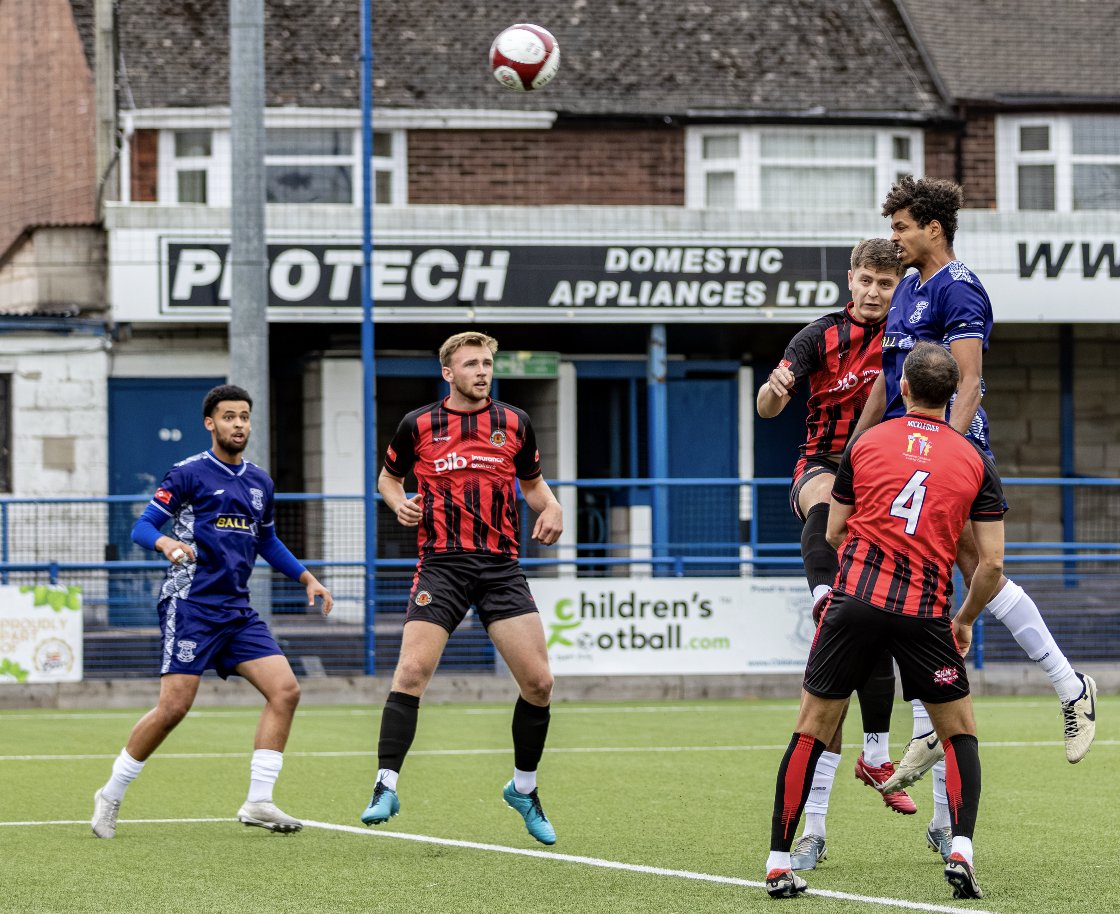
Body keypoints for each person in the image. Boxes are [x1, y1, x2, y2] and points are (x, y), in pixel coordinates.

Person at [855, 177, 1097, 810]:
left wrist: (944, 456)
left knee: (972, 567)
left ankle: (1068, 686)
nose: (894, 238)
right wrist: (856, 446)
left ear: (933, 228)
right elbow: (886, 380)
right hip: (903, 452)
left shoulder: (958, 286)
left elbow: (968, 383)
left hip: (947, 452)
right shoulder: (909, 288)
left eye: (902, 227)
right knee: (927, 576)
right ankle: (938, 725)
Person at [764, 342, 1005, 901]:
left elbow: (833, 530)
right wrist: (965, 619)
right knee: (959, 732)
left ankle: (778, 862)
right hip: (925, 612)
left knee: (811, 728)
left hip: (854, 604)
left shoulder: (866, 443)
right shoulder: (975, 461)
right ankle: (961, 850)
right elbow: (991, 565)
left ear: (902, 387)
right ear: (954, 395)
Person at [90, 384, 334, 839]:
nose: (238, 424)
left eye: (244, 417)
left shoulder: (260, 482)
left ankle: (258, 801)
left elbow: (267, 541)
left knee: (285, 691)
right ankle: (111, 792)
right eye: (228, 417)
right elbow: (143, 527)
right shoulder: (188, 474)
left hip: (236, 611)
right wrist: (166, 542)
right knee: (174, 708)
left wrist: (306, 577)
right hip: (191, 605)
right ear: (210, 423)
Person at [359, 331, 564, 845]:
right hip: (442, 567)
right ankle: (385, 786)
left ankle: (523, 789)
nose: (482, 371)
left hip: (500, 568)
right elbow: (388, 478)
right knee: (410, 672)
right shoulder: (418, 424)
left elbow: (533, 484)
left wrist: (553, 506)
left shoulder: (514, 422)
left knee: (539, 683)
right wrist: (397, 502)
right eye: (471, 364)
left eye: (487, 363)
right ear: (448, 373)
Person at [756, 239, 914, 874]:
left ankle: (880, 758)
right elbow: (768, 407)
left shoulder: (910, 334)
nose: (874, 291)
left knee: (874, 631)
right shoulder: (817, 336)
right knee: (827, 505)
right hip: (822, 465)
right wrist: (774, 390)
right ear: (850, 279)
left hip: (888, 479)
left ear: (897, 285)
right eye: (866, 280)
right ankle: (823, 591)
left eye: (885, 282)